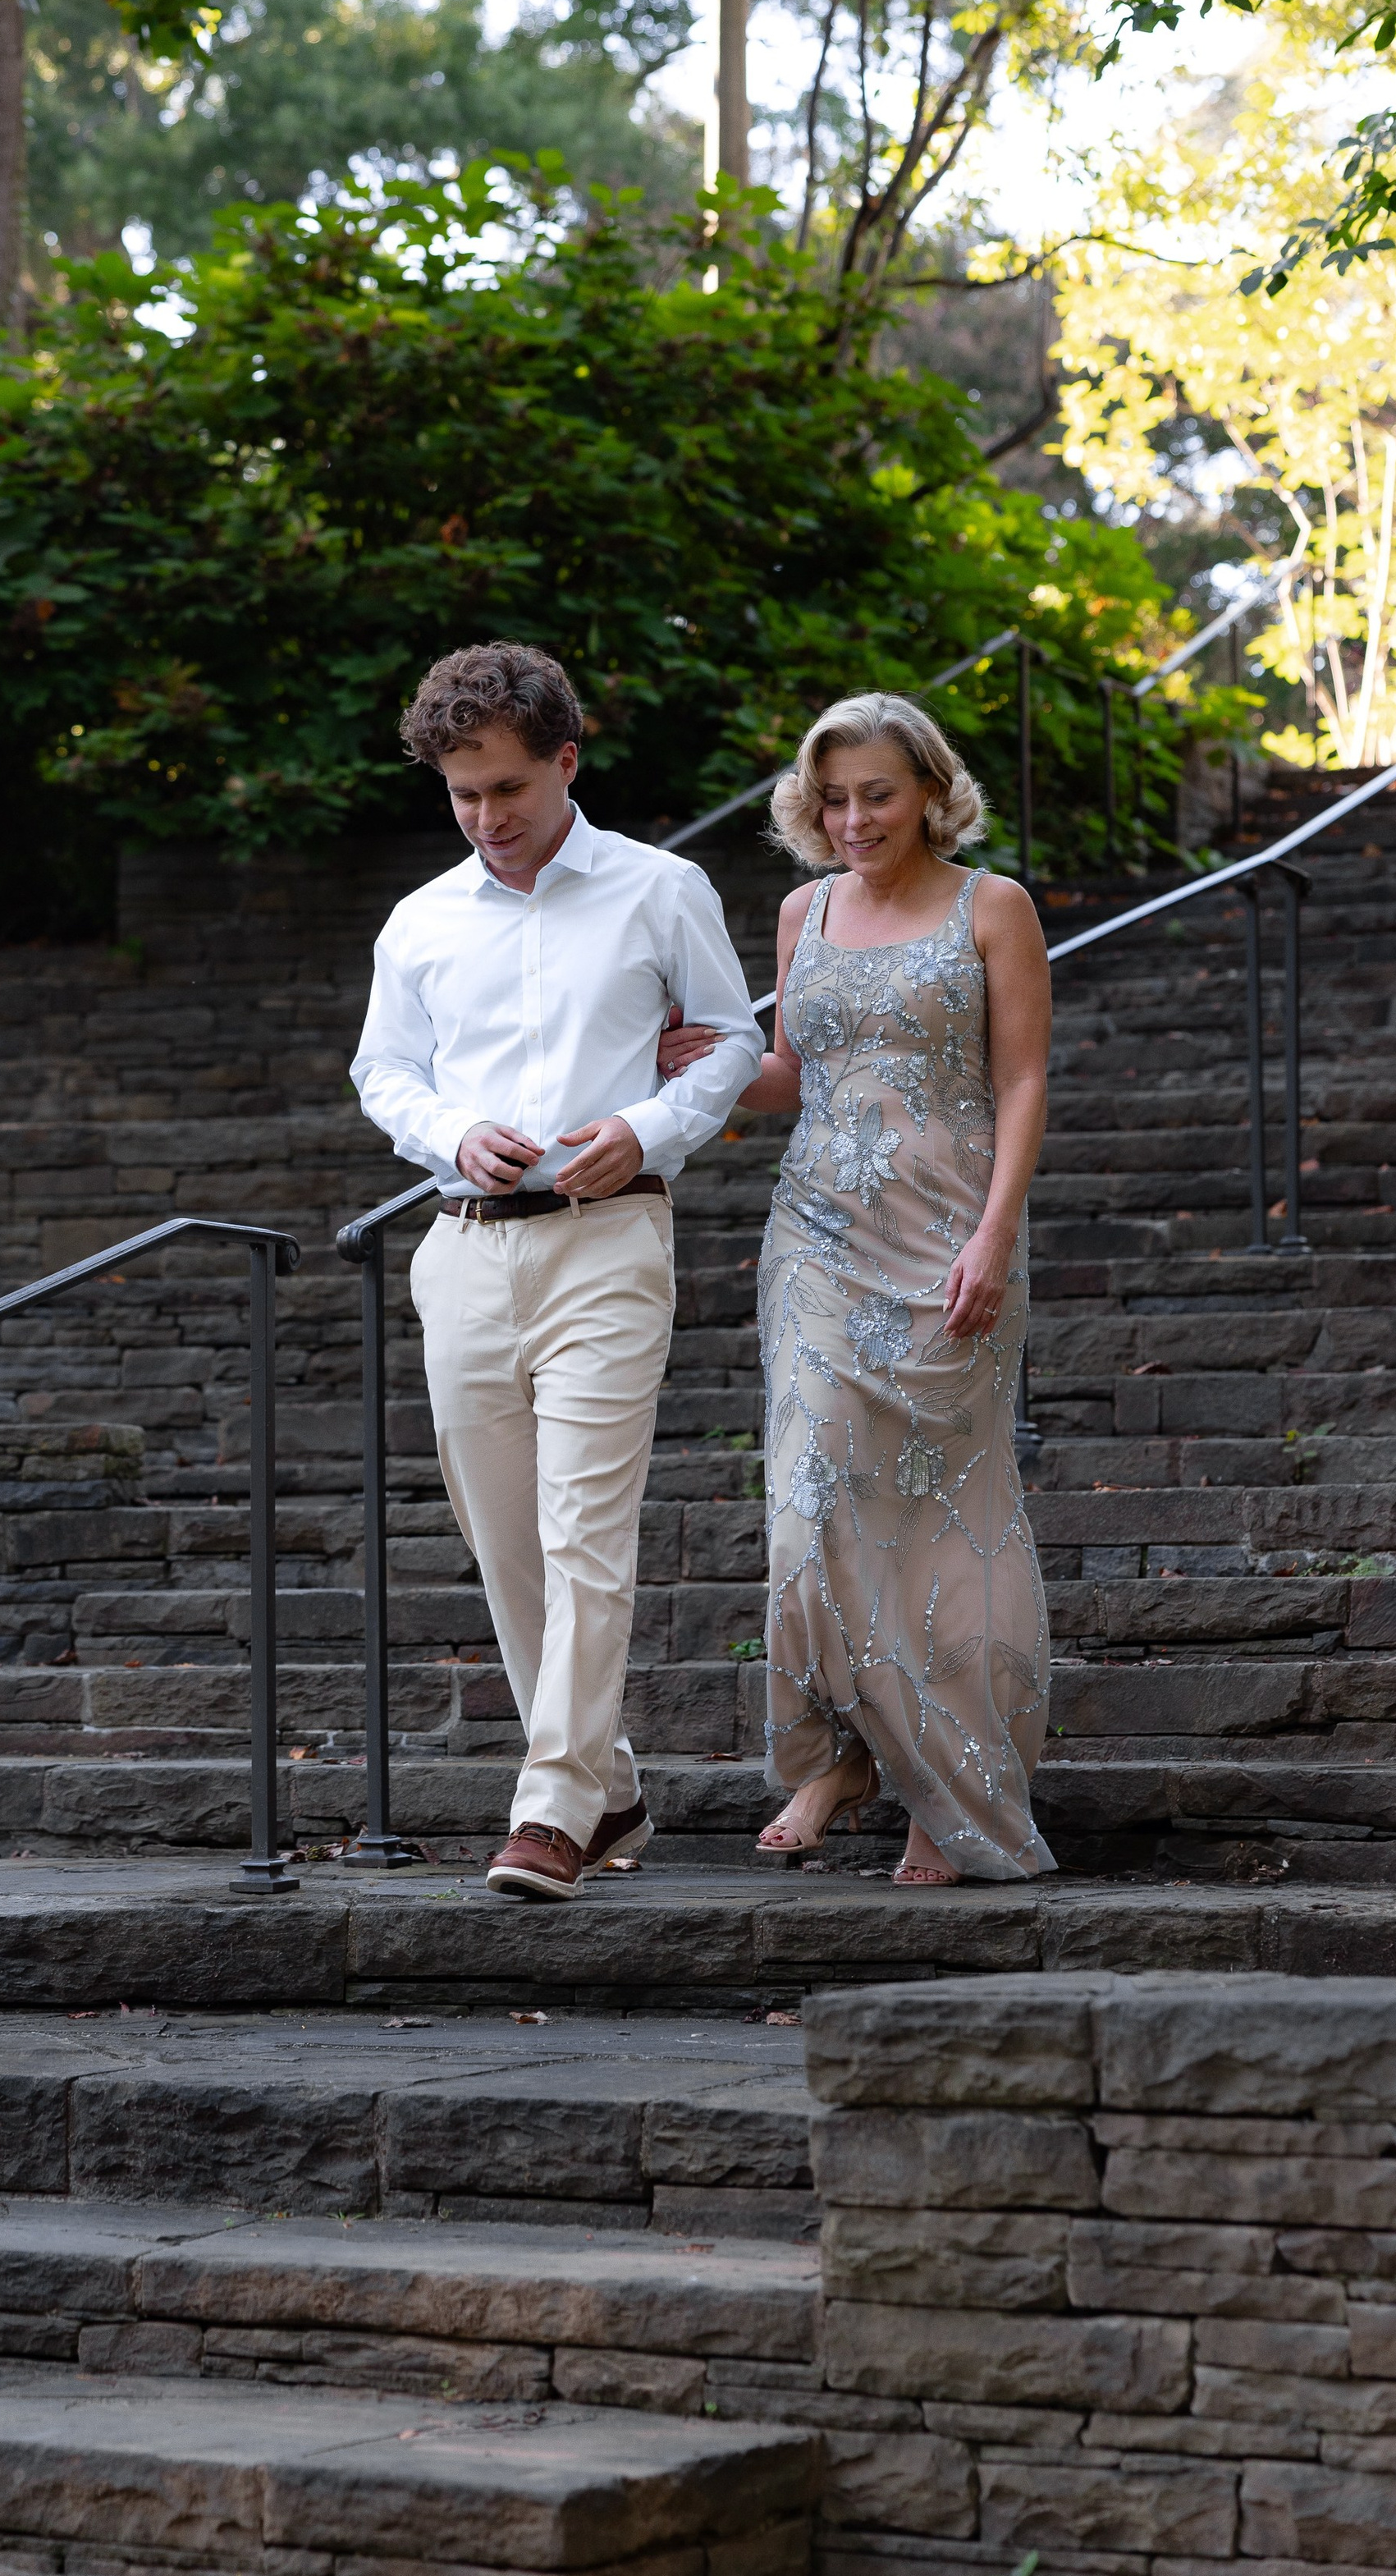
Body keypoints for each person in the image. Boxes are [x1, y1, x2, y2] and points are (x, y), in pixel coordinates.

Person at [352, 643, 765, 1903]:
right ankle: (611, 1782)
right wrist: (446, 1135)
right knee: (504, 1541)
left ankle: (551, 1806)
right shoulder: (419, 921)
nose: (487, 819)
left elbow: (734, 1039)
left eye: (510, 790)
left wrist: (643, 1129)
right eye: (464, 794)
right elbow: (387, 1074)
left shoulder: (661, 887)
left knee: (587, 1525)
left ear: (566, 761)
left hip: (610, 1242)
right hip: (463, 1249)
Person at [658, 690, 1053, 1884]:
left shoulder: (995, 907)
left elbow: (1026, 1080)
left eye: (876, 792)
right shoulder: (802, 910)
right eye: (831, 798)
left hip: (949, 1240)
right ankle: (841, 1752)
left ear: (931, 789)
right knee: (808, 1503)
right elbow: (796, 1073)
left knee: (947, 1522)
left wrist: (994, 1237)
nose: (852, 817)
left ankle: (950, 1787)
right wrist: (712, 1076)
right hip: (818, 1240)